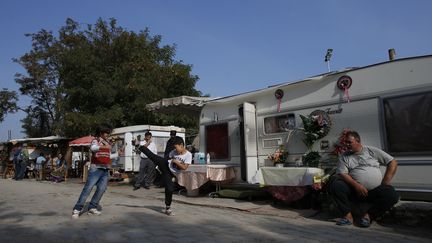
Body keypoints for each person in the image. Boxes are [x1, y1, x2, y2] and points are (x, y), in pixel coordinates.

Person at [329, 130, 399, 227]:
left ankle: (368, 216)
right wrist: (357, 185)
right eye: (346, 142)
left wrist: (385, 182)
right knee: (336, 185)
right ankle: (347, 216)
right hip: (355, 191)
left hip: (374, 191)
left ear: (358, 141)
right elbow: (343, 173)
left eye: (349, 142)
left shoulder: (371, 151)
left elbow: (392, 162)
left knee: (392, 194)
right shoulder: (344, 157)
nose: (347, 145)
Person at [72, 125, 118, 219]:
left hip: (105, 169)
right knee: (88, 188)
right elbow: (93, 148)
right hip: (96, 168)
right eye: (106, 133)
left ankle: (92, 207)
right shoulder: (95, 140)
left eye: (109, 133)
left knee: (101, 189)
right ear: (101, 133)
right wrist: (103, 146)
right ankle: (77, 209)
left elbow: (108, 156)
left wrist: (117, 154)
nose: (108, 135)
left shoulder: (107, 142)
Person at [137, 136, 192, 216]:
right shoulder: (173, 151)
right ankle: (139, 146)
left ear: (181, 145)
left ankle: (168, 207)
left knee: (169, 189)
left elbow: (184, 167)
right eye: (174, 148)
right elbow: (167, 159)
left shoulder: (188, 155)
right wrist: (161, 164)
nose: (175, 150)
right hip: (166, 166)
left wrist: (175, 161)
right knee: (155, 157)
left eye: (176, 147)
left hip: (171, 173)